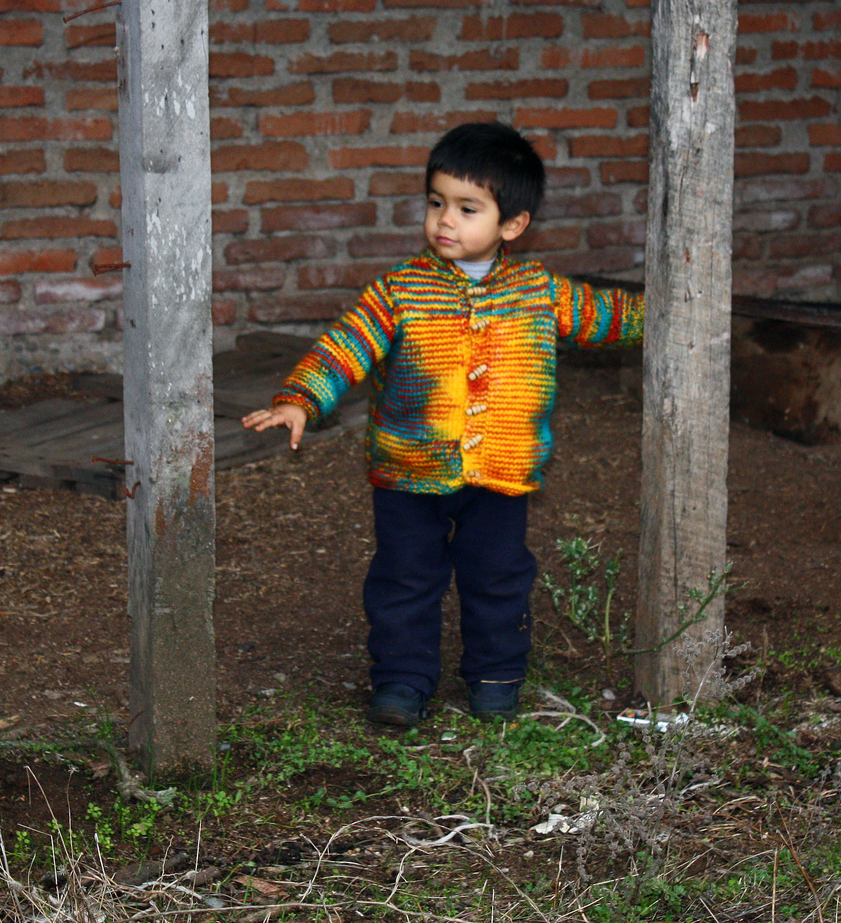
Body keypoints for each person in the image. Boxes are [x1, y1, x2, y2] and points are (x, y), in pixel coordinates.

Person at [242, 121, 644, 727]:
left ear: (513, 225)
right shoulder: (400, 291)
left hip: (500, 475)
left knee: (500, 579)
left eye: (466, 208)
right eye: (436, 203)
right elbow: (345, 346)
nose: (444, 222)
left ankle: (496, 677)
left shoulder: (541, 292)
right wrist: (301, 398)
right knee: (405, 579)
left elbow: (609, 315)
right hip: (409, 472)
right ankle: (402, 682)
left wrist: (679, 305)